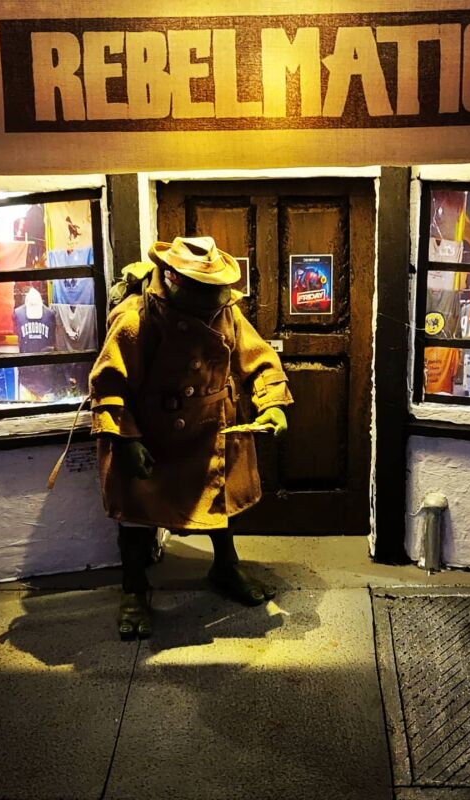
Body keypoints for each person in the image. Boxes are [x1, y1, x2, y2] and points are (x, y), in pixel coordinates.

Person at [89, 236, 293, 639]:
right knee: (137, 513)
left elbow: (258, 358)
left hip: (212, 426)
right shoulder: (136, 317)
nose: (216, 302)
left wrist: (272, 402)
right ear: (175, 281)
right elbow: (109, 384)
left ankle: (225, 566)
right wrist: (125, 439)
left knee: (218, 499)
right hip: (152, 433)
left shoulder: (225, 311)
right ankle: (133, 588)